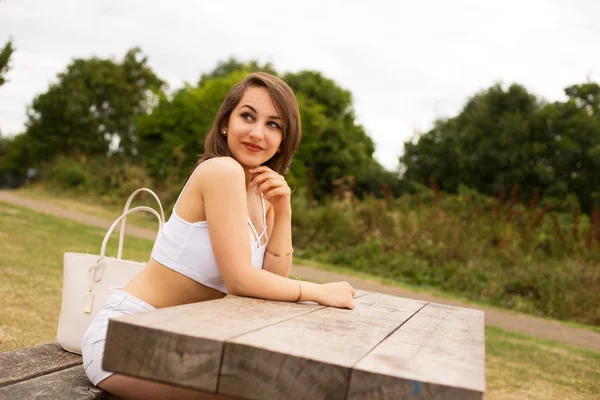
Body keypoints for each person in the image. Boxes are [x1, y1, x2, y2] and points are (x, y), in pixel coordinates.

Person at [81, 72, 356, 400]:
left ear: (284, 139)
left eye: (274, 124)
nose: (257, 133)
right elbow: (240, 279)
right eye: (248, 116)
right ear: (226, 123)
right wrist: (319, 291)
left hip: (184, 342)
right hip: (128, 339)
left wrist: (283, 210)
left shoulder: (262, 196)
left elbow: (268, 284)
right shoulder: (221, 171)